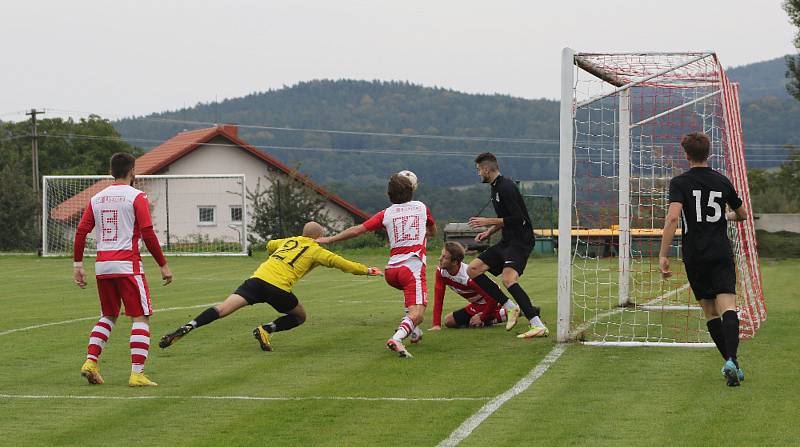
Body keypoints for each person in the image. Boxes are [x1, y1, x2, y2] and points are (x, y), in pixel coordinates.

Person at [159, 221, 382, 352]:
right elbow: (341, 264)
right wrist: (367, 270)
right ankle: (266, 329)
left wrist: (277, 255)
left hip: (257, 280)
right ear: (319, 237)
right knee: (300, 316)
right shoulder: (317, 250)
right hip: (278, 288)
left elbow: (269, 245)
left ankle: (188, 326)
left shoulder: (288, 241)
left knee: (223, 308)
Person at [73, 152, 173, 387]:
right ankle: (137, 373)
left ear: (111, 172)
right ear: (132, 171)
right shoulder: (137, 196)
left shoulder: (96, 198)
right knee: (141, 316)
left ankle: (90, 361)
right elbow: (147, 232)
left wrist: (78, 265)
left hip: (103, 266)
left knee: (108, 314)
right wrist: (163, 264)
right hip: (128, 264)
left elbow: (81, 231)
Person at [659, 132, 748, 387]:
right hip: (720, 251)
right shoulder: (722, 180)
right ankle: (731, 360)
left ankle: (733, 363)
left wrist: (663, 254)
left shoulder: (679, 183)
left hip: (695, 254)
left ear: (686, 155)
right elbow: (741, 213)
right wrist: (724, 217)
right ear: (707, 153)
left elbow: (673, 218)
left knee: (710, 313)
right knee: (728, 306)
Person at [317, 173, 435, 358]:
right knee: (418, 313)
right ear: (412, 190)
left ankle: (414, 331)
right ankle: (396, 338)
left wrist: (330, 239)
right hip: (411, 268)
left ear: (389, 195)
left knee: (410, 301)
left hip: (391, 271)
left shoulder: (386, 213)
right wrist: (424, 231)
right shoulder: (421, 207)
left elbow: (357, 230)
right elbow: (432, 230)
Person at [467, 152, 548, 338]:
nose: (478, 173)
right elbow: (505, 220)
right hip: (507, 240)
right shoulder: (495, 187)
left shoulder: (506, 187)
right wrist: (488, 231)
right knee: (473, 269)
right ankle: (510, 307)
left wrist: (487, 221)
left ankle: (537, 324)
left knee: (509, 279)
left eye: (479, 170)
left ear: (487, 169)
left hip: (520, 241)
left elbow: (518, 219)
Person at [430, 241, 508, 330]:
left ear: (455, 262)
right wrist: (436, 324)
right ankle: (491, 317)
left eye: (445, 257)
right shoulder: (441, 272)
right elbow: (438, 299)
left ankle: (508, 313)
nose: (440, 259)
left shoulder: (468, 277)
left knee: (474, 322)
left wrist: (482, 317)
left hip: (493, 301)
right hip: (477, 304)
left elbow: (493, 299)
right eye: (441, 255)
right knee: (449, 321)